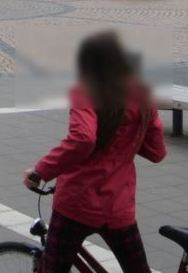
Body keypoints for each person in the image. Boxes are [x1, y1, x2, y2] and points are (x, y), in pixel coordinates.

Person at [23, 32, 167, 273]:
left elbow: (83, 138)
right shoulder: (141, 95)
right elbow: (157, 152)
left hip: (77, 202)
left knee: (54, 268)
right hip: (118, 204)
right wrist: (128, 138)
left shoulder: (85, 91)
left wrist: (40, 171)